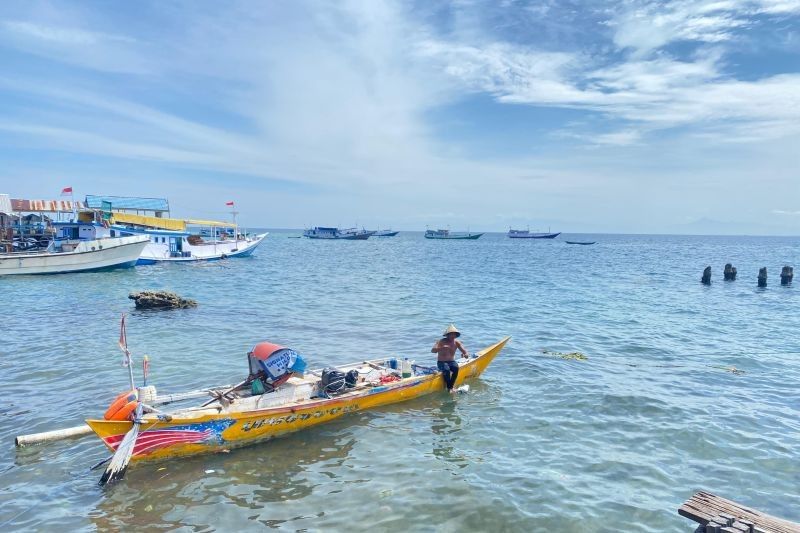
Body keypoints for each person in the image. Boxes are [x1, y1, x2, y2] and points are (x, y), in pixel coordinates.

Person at [431, 324, 469, 393]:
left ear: (456, 335)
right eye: (451, 334)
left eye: (454, 334)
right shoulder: (441, 341)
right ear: (447, 335)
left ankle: (450, 386)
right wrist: (441, 348)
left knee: (456, 368)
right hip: (441, 362)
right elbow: (432, 350)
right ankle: (450, 388)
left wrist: (465, 354)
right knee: (446, 369)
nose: (452, 336)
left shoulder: (457, 342)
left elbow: (464, 351)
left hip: (451, 361)